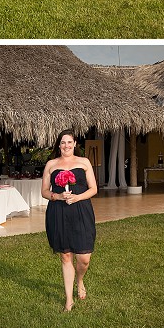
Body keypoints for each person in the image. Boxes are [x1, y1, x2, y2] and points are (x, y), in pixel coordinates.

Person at [42, 129, 98, 312]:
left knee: (84, 258)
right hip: (59, 213)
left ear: (75, 144)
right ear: (59, 145)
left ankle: (80, 280)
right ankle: (68, 300)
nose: (66, 145)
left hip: (81, 211)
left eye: (69, 142)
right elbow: (44, 191)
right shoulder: (51, 164)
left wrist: (78, 197)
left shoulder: (84, 162)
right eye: (63, 142)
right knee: (66, 256)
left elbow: (93, 189)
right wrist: (57, 196)